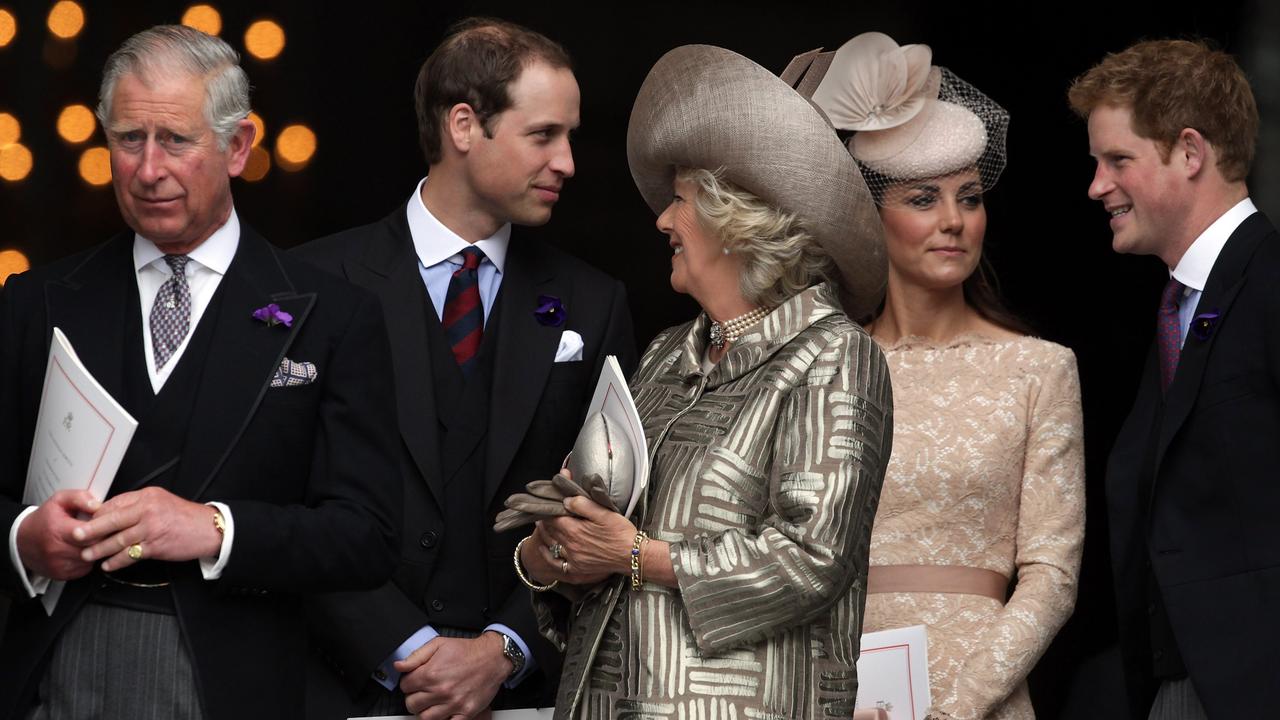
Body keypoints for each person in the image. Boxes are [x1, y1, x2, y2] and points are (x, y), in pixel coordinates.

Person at [0, 25, 400, 720]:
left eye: (176, 141)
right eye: (129, 139)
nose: (148, 169)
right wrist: (23, 536)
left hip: (234, 677)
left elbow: (367, 537)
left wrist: (219, 529)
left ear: (238, 147)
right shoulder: (38, 302)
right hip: (57, 668)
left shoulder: (333, 316)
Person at [513, 44, 893, 719]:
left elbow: (811, 558)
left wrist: (640, 558)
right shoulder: (664, 354)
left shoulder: (833, 354)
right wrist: (557, 551)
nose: (661, 220)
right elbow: (607, 542)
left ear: (736, 221)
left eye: (681, 201)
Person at [295, 18, 637, 720]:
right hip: (344, 689)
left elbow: (613, 503)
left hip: (526, 697)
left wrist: (504, 651)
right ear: (462, 125)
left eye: (569, 136)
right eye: (544, 135)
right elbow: (286, 494)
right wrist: (405, 650)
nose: (569, 161)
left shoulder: (591, 302)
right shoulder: (314, 284)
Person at [800, 32, 1086, 719]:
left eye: (970, 197)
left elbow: (1052, 574)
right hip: (841, 692)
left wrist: (959, 706)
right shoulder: (825, 365)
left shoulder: (1039, 367)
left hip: (979, 694)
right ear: (873, 215)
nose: (955, 221)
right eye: (924, 199)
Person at [1069, 39, 1280, 718]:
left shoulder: (1273, 284)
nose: (1097, 185)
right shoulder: (1177, 309)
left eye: (1118, 160)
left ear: (1191, 153)